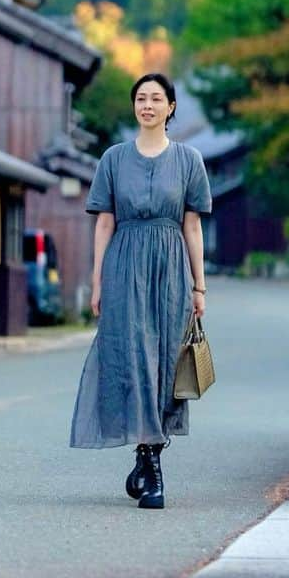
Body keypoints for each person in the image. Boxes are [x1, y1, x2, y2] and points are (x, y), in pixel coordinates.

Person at [69, 71, 212, 509]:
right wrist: (96, 280)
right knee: (133, 359)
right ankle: (152, 469)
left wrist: (199, 287)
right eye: (141, 98)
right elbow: (104, 222)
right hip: (124, 265)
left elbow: (192, 226)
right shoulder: (113, 158)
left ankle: (146, 454)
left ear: (170, 107)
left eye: (156, 99)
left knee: (165, 363)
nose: (147, 105)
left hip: (170, 268)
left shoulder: (189, 160)